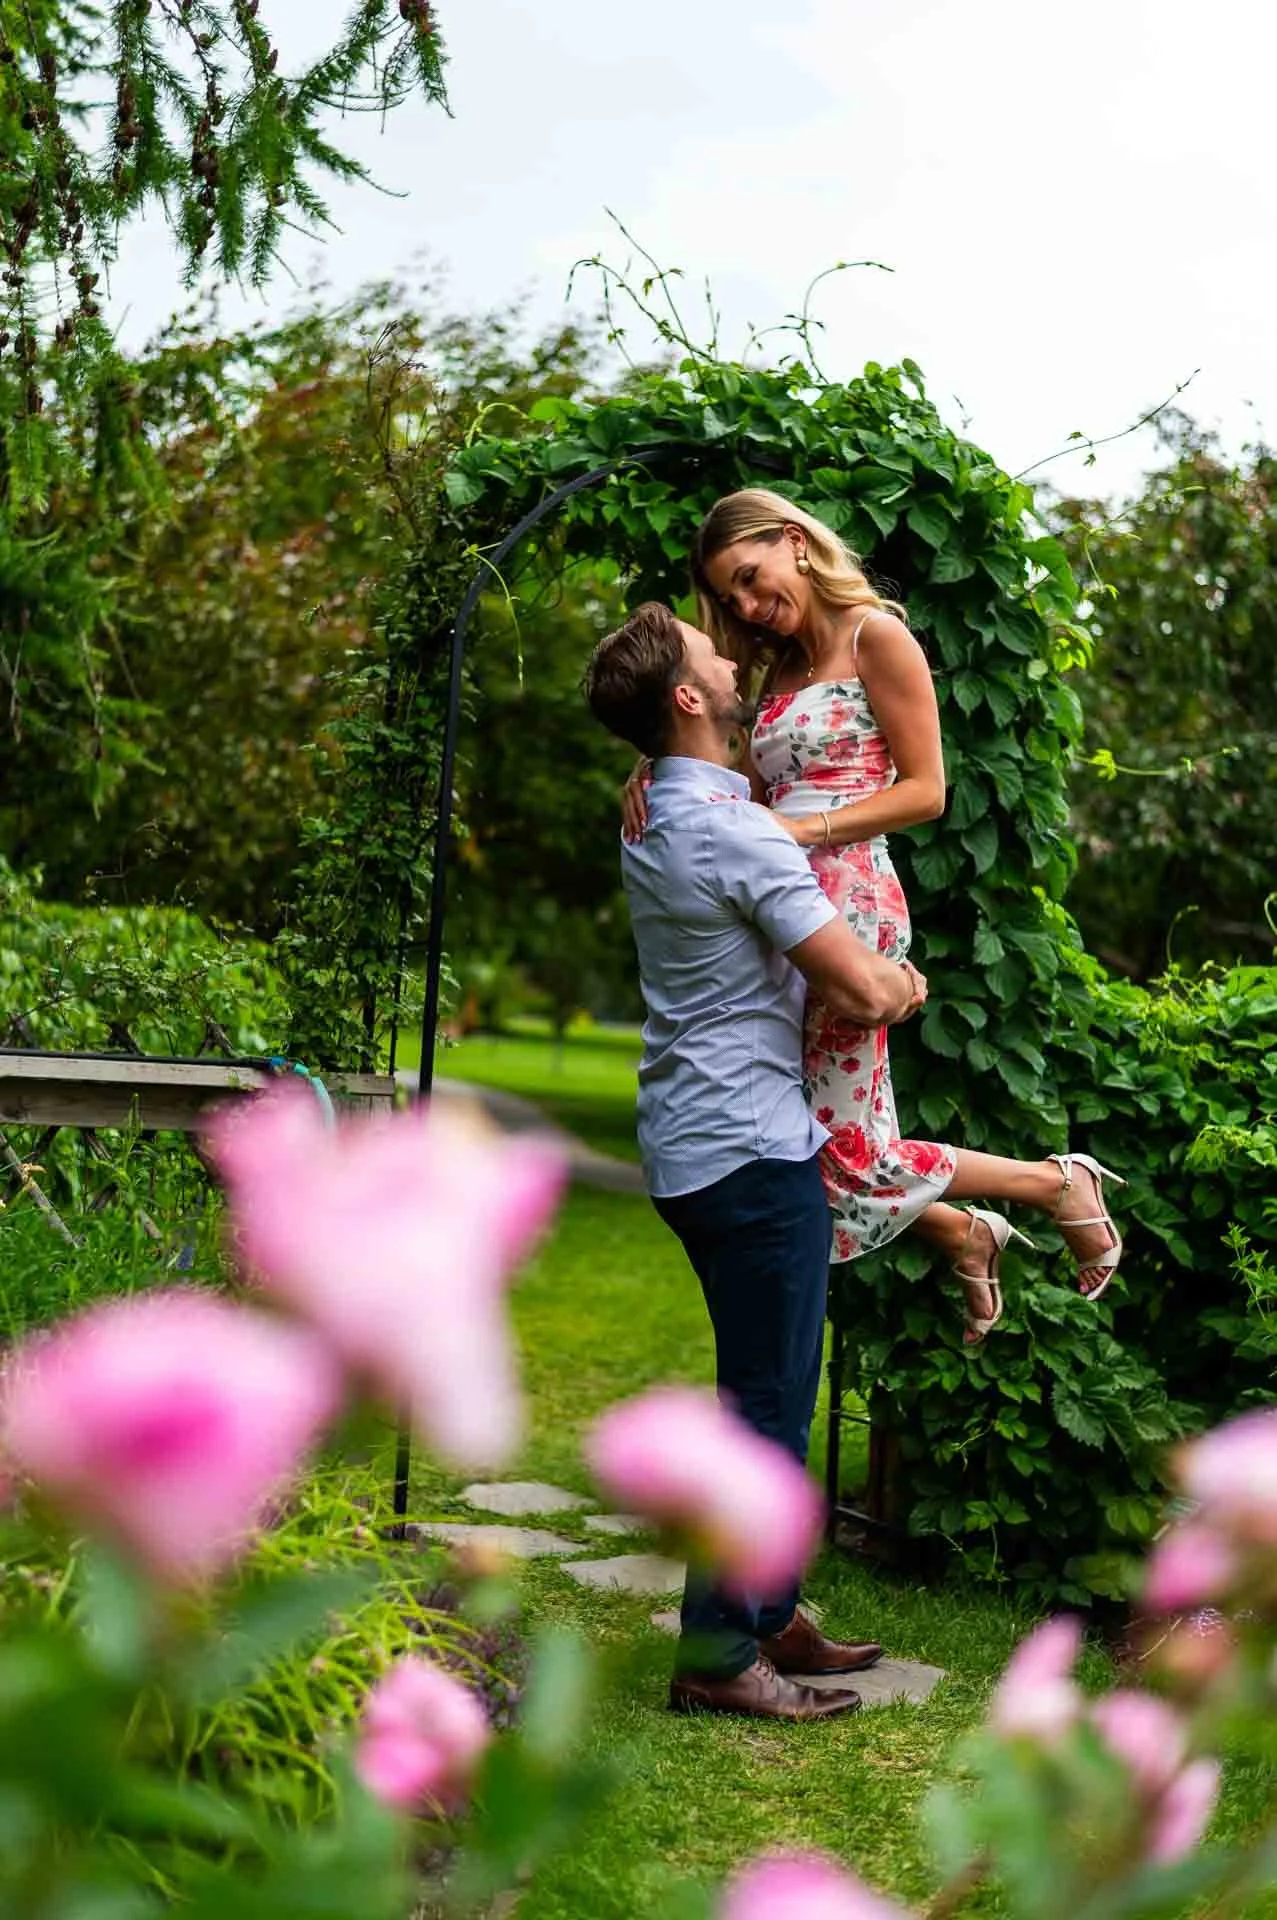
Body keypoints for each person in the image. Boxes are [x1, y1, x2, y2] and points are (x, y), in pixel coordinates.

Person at [623, 489, 1125, 1344]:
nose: (746, 606)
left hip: (850, 902)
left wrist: (802, 827)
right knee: (804, 1141)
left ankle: (1050, 1187)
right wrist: (648, 765)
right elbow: (721, 755)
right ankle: (967, 1228)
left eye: (750, 577)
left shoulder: (876, 636)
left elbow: (926, 792)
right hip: (782, 909)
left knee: (831, 1149)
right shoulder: (772, 667)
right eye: (731, 597)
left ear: (792, 541)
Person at [584, 600, 926, 1723]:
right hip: (745, 1150)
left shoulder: (658, 815)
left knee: (774, 1381)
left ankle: (769, 1608)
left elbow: (711, 808)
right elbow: (859, 987)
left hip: (698, 1137)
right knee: (766, 1412)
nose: (730, 658)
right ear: (688, 699)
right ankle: (719, 1651)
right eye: (706, 656)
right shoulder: (725, 833)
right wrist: (902, 985)